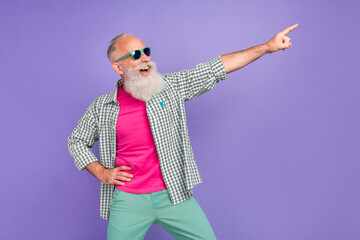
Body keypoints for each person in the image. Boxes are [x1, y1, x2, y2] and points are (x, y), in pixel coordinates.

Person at [67, 23, 298, 240]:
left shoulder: (169, 87)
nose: (146, 58)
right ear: (118, 67)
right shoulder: (102, 107)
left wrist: (267, 47)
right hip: (128, 200)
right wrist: (102, 173)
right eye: (136, 55)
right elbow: (76, 141)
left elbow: (215, 68)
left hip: (173, 194)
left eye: (146, 51)